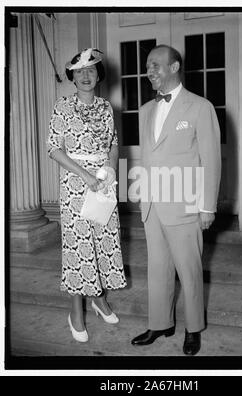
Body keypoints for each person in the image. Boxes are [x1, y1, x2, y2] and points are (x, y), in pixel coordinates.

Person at [131, 45, 221, 355]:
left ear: (174, 67)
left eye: (156, 64)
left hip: (184, 202)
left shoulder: (200, 107)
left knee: (189, 269)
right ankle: (160, 323)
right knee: (158, 267)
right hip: (153, 204)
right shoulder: (145, 110)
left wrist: (207, 206)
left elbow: (211, 159)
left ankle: (193, 328)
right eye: (147, 66)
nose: (149, 70)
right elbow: (147, 158)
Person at [48, 48, 127, 343]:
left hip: (103, 183)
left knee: (104, 242)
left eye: (91, 70)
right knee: (80, 247)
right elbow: (54, 148)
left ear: (98, 75)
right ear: (72, 76)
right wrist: (86, 176)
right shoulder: (62, 106)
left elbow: (114, 144)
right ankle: (76, 312)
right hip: (75, 184)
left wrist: (109, 171)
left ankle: (99, 299)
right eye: (79, 71)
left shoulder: (106, 107)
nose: (85, 75)